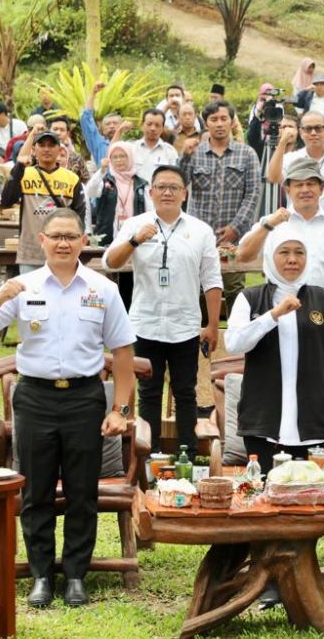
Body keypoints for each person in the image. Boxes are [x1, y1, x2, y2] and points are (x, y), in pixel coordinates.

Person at [0, 207, 137, 609]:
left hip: (84, 398)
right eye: (55, 236)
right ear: (41, 241)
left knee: (82, 491)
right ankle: (41, 574)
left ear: (83, 242)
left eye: (70, 236)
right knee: (36, 491)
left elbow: (123, 352)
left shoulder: (102, 289)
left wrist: (121, 409)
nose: (63, 243)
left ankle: (76, 574)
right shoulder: (22, 286)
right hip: (35, 398)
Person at [103, 165, 222, 457]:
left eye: (174, 187)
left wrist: (213, 325)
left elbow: (212, 280)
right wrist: (135, 241)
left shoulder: (200, 230)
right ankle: (149, 454)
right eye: (161, 187)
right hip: (146, 323)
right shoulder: (135, 224)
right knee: (149, 393)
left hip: (185, 324)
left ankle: (188, 454)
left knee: (185, 391)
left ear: (184, 193)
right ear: (151, 192)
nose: (167, 192)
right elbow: (110, 262)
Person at [225, 229, 324, 472]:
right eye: (284, 252)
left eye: (299, 252)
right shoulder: (250, 299)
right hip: (263, 424)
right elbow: (234, 343)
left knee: (312, 496)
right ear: (270, 257)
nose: (292, 259)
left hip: (314, 424)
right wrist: (273, 315)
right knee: (263, 497)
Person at [239, 157, 324, 344]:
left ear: (322, 188)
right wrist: (268, 226)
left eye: (311, 184)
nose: (305, 190)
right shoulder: (273, 222)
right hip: (281, 315)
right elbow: (243, 255)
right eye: (298, 185)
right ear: (288, 190)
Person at [181, 100, 262, 311]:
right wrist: (185, 157)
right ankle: (200, 337)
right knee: (199, 288)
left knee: (234, 287)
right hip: (199, 236)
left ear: (232, 122)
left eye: (224, 118)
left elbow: (253, 194)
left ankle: (238, 337)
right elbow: (180, 184)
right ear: (205, 123)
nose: (219, 124)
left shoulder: (247, 154)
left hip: (234, 238)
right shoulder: (195, 152)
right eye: (213, 119)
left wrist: (235, 227)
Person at [2, 131, 86, 274]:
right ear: (34, 150)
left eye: (51, 145)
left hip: (63, 252)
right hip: (31, 253)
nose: (46, 149)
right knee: (33, 295)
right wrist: (19, 167)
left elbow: (79, 218)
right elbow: (6, 201)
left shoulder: (71, 178)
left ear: (59, 150)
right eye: (42, 145)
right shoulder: (24, 174)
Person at [267, 111, 324, 232]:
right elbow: (273, 178)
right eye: (308, 129)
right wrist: (282, 142)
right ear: (301, 132)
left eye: (318, 128)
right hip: (297, 228)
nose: (313, 133)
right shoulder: (291, 159)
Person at [87, 140, 149, 309]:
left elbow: (148, 210)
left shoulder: (141, 183)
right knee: (105, 279)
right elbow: (91, 191)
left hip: (133, 238)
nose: (119, 160)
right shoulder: (105, 180)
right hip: (107, 235)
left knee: (129, 280)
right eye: (115, 157)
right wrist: (101, 171)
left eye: (123, 156)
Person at [130, 109, 179, 185]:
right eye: (149, 124)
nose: (153, 128)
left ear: (162, 128)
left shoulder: (170, 151)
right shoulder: (131, 148)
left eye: (157, 125)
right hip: (136, 195)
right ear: (142, 125)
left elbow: (174, 177)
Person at [296, 74, 324, 149]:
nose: (319, 87)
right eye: (317, 84)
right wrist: (306, 90)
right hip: (308, 132)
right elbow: (295, 100)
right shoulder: (308, 97)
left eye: (322, 84)